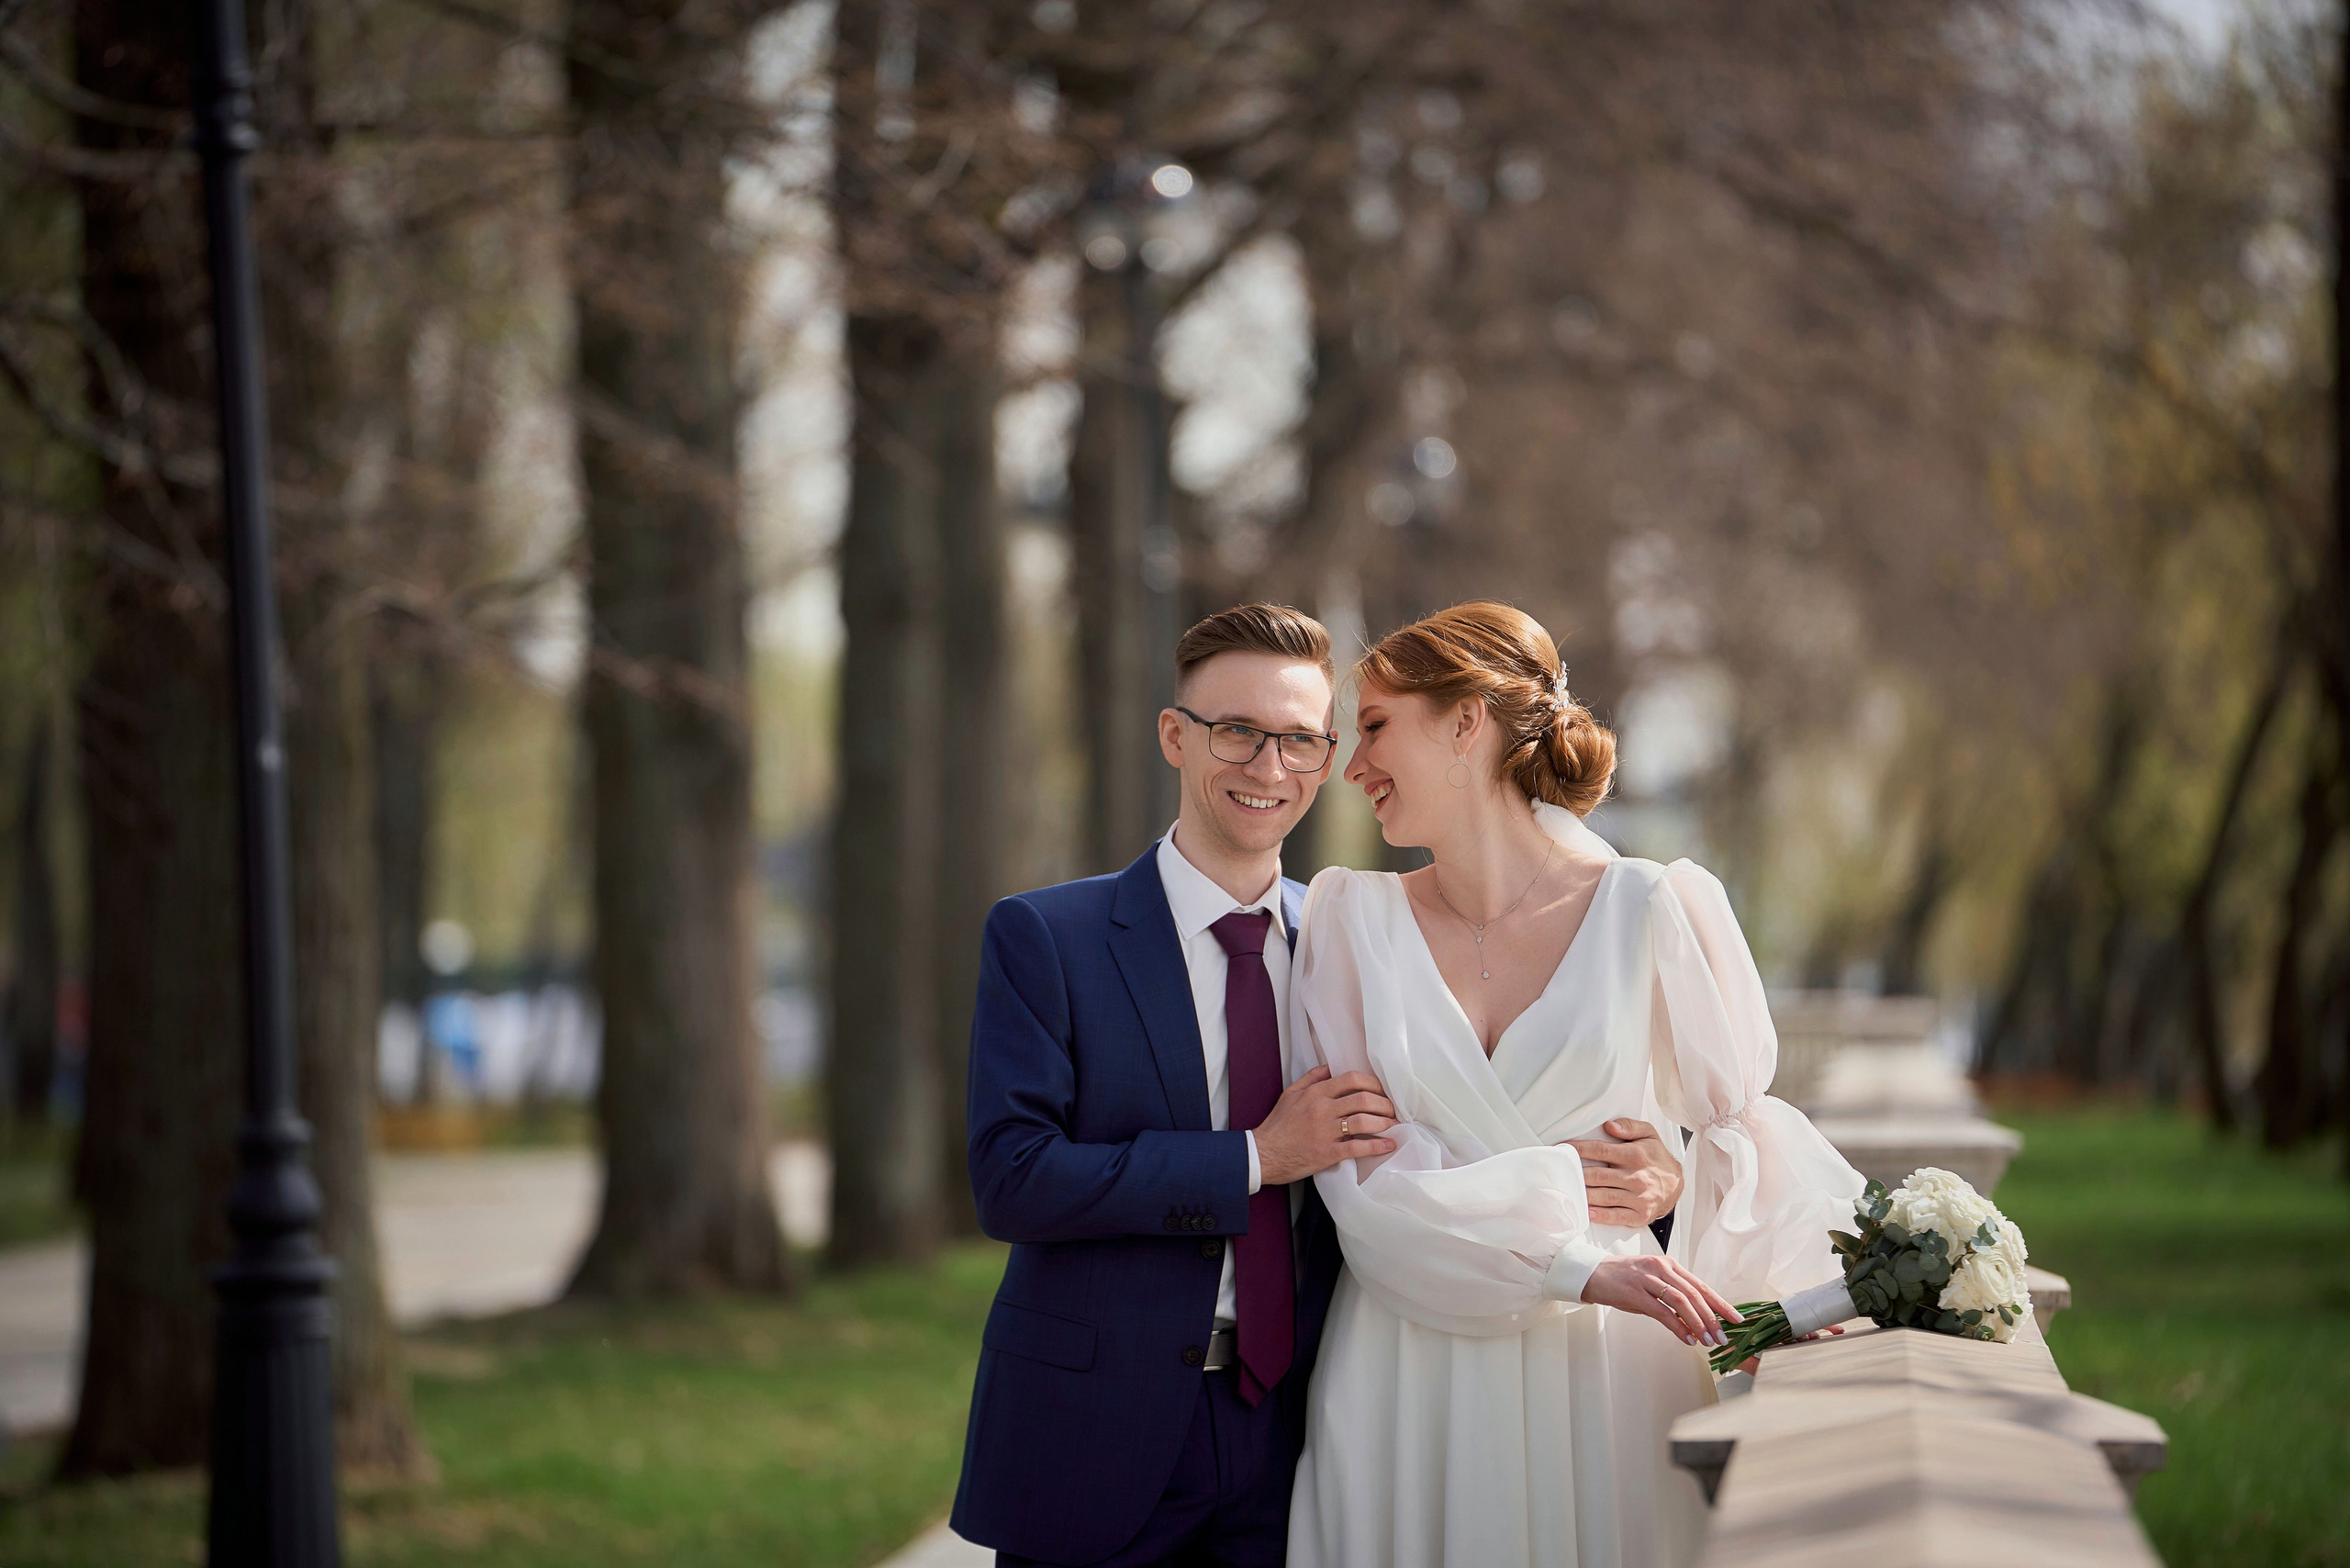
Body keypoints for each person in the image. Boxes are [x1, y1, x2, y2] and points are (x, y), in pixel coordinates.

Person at [951, 603, 1690, 1567]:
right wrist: (1256, 1157)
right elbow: (1013, 1177)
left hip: (1300, 1428)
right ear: (1175, 736)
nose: (1269, 766)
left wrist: (1660, 1183)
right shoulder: (1050, 937)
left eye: (1300, 739)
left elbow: (1474, 1144)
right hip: (1099, 1429)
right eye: (1237, 731)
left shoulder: (1360, 941)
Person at [1286, 601, 1866, 1568]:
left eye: (1377, 726)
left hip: (1607, 1362)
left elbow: (1740, 1133)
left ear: (1466, 722)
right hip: (1408, 1364)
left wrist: (1768, 1261)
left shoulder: (1655, 908)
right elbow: (1368, 1194)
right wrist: (1576, 1239)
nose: (1351, 768)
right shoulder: (1351, 922)